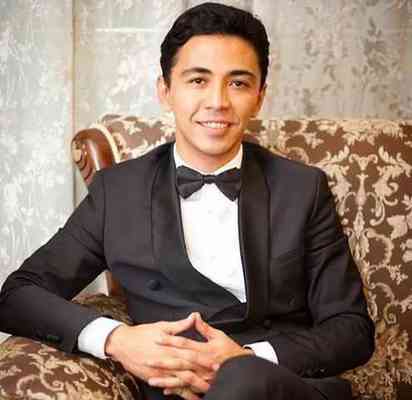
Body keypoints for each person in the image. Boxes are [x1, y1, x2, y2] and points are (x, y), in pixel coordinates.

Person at [0, 2, 374, 400]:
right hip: (170, 393)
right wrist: (117, 340)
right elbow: (18, 294)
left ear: (260, 96)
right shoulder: (118, 192)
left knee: (243, 381)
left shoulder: (302, 188)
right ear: (165, 91)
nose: (217, 101)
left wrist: (248, 358)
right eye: (198, 80)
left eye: (238, 83)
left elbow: (351, 329)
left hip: (277, 389)